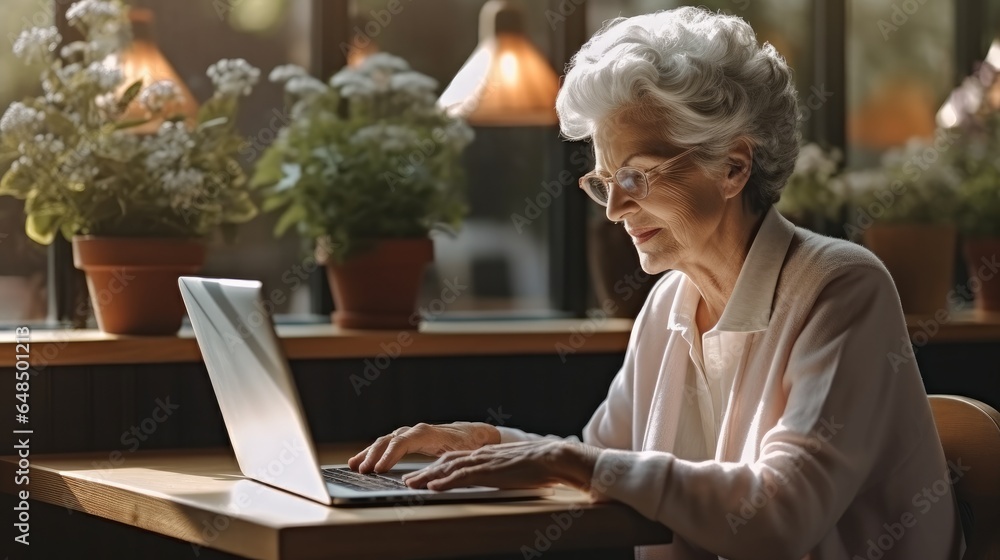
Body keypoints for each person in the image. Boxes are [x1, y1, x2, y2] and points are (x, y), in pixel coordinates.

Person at [349, 7, 965, 559]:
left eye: (637, 176)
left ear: (732, 167)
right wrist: (486, 443)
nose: (614, 208)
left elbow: (779, 518)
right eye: (603, 180)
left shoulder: (841, 287)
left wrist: (571, 462)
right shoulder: (673, 297)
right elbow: (603, 456)